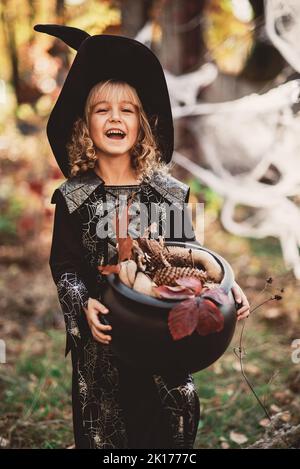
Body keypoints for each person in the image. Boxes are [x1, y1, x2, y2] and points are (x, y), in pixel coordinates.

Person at [34, 24, 250, 449]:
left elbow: (190, 255)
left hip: (161, 327)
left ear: (142, 125)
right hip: (105, 339)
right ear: (85, 126)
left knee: (174, 407)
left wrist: (225, 283)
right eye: (102, 110)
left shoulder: (165, 193)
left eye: (127, 110)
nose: (115, 118)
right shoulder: (76, 197)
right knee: (105, 421)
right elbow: (64, 266)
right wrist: (83, 304)